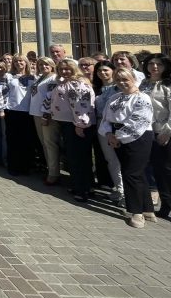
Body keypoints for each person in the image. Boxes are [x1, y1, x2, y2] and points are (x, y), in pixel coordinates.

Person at [100, 68, 155, 228]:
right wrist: (109, 134)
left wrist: (118, 136)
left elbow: (139, 121)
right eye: (118, 80)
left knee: (131, 173)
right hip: (117, 137)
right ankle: (147, 209)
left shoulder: (142, 98)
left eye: (125, 79)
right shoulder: (115, 98)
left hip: (138, 137)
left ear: (134, 79)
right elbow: (106, 118)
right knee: (136, 173)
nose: (122, 83)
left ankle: (136, 212)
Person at [139, 54, 171, 225]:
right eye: (151, 64)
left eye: (159, 64)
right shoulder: (144, 84)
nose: (154, 67)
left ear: (166, 66)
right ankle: (166, 204)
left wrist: (168, 132)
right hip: (148, 132)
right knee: (157, 170)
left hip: (168, 133)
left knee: (169, 169)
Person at [47, 59, 95, 202]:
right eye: (61, 69)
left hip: (76, 125)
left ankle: (82, 190)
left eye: (67, 69)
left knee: (79, 158)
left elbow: (81, 105)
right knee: (74, 157)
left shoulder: (77, 84)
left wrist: (80, 125)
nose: (64, 71)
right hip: (67, 123)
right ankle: (81, 185)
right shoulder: (65, 82)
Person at [92, 60, 124, 202]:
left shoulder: (119, 87)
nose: (102, 73)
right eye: (99, 71)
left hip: (118, 125)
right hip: (102, 125)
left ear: (113, 71)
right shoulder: (96, 88)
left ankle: (127, 192)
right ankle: (119, 189)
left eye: (106, 70)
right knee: (111, 159)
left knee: (122, 159)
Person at [30, 57, 59, 185]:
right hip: (36, 113)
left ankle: (54, 173)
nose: (43, 66)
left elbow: (51, 98)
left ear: (52, 65)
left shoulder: (54, 78)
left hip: (46, 115)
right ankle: (50, 169)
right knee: (44, 144)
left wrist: (46, 115)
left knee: (50, 144)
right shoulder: (41, 78)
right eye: (41, 64)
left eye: (46, 64)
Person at [4, 54, 35, 175]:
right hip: (12, 111)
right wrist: (2, 108)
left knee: (26, 140)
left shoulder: (33, 77)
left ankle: (25, 167)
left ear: (26, 62)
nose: (19, 63)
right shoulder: (9, 76)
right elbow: (3, 93)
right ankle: (14, 167)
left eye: (21, 61)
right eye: (16, 61)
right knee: (13, 140)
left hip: (28, 112)